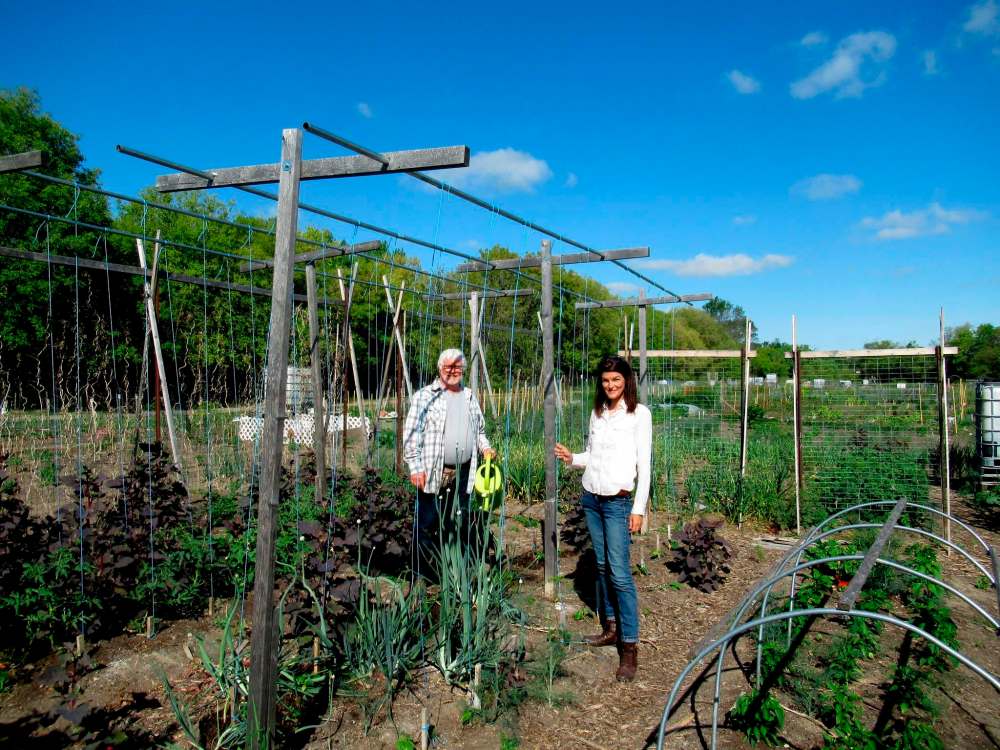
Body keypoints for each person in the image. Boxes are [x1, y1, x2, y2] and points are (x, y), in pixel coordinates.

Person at [555, 355, 651, 682]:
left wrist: (639, 508)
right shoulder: (598, 413)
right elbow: (593, 455)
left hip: (618, 502)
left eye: (616, 380)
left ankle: (629, 647)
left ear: (627, 381)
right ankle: (610, 626)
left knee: (621, 573)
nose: (610, 386)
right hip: (592, 498)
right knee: (600, 566)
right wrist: (573, 458)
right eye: (606, 380)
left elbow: (645, 466)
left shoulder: (639, 415)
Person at [403, 348, 495, 576]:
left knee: (457, 522)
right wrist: (415, 468)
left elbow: (480, 431)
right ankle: (421, 576)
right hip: (434, 471)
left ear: (463, 369)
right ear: (439, 369)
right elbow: (411, 435)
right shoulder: (424, 396)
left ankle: (454, 572)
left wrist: (486, 448)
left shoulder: (470, 397)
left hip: (465, 472)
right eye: (448, 367)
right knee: (426, 523)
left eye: (457, 367)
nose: (453, 371)